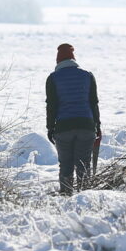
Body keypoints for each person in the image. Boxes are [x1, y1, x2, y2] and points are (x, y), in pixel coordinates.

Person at [46, 43, 101, 195]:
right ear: (73, 59)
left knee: (66, 164)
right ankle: (84, 195)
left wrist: (50, 128)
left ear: (58, 61)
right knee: (84, 164)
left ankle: (66, 194)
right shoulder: (87, 76)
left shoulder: (53, 78)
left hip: (63, 128)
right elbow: (93, 102)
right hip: (86, 126)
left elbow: (51, 105)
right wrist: (97, 126)